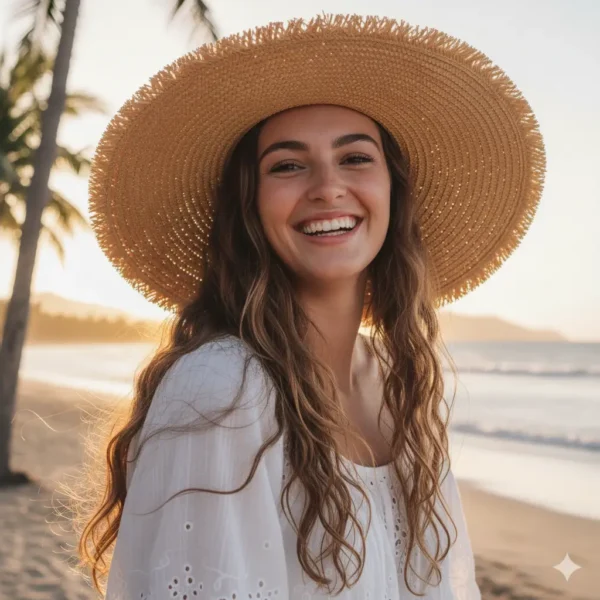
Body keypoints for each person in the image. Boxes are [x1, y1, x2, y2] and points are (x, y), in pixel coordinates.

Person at [76, 13, 546, 600]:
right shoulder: (222, 388)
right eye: (288, 165)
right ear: (249, 207)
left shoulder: (401, 381)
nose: (328, 186)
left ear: (393, 193)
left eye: (355, 158)